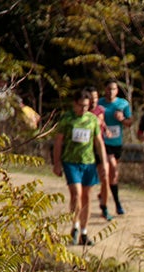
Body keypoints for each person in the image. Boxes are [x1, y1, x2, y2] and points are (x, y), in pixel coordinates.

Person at [52, 88, 108, 246]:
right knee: (76, 193)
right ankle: (75, 226)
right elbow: (58, 142)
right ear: (74, 104)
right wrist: (56, 163)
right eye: (80, 105)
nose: (83, 109)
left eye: (86, 105)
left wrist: (103, 164)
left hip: (88, 163)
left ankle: (84, 231)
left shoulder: (92, 119)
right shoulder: (67, 119)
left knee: (86, 197)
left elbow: (98, 142)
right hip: (71, 161)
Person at [98, 79, 133, 216]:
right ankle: (115, 204)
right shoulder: (99, 103)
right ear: (105, 90)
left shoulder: (123, 103)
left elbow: (130, 122)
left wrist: (122, 119)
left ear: (117, 90)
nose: (111, 91)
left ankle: (104, 194)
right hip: (102, 142)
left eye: (113, 89)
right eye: (108, 89)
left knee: (113, 175)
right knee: (110, 168)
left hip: (116, 143)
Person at [85, 87, 113, 221]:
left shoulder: (100, 110)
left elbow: (102, 123)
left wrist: (106, 130)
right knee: (88, 184)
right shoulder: (82, 112)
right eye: (91, 98)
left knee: (105, 178)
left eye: (96, 97)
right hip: (86, 150)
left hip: (99, 147)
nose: (94, 100)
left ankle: (104, 207)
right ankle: (84, 209)